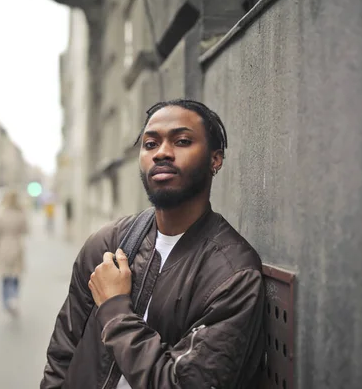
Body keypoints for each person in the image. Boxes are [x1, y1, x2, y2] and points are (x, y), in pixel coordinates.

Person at [41, 99, 265, 388]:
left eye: (182, 141)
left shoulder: (232, 274)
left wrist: (114, 308)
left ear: (215, 159)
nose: (161, 153)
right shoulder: (108, 245)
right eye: (150, 144)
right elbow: (62, 354)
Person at [0, 190, 28, 317]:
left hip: (3, 245)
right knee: (15, 274)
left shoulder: (0, 212)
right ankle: (14, 298)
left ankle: (6, 301)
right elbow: (25, 229)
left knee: (5, 275)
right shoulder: (20, 212)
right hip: (17, 244)